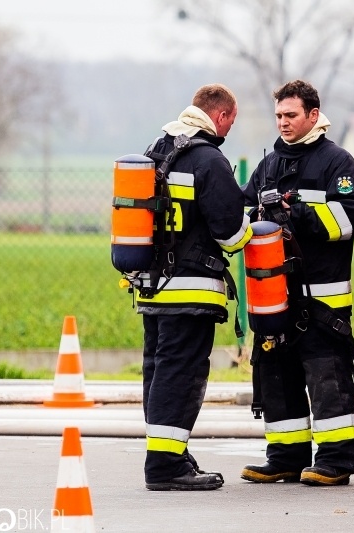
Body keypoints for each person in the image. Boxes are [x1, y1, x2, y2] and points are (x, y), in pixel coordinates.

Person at [240, 79, 354, 486]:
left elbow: (352, 219)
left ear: (313, 115)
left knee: (326, 375)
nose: (283, 123)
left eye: (291, 115)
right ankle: (285, 456)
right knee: (276, 375)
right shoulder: (269, 166)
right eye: (279, 115)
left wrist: (295, 214)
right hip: (274, 296)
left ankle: (334, 461)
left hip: (321, 298)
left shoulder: (337, 163)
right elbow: (245, 212)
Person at [137, 84, 252, 490]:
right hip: (192, 290)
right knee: (181, 374)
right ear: (220, 117)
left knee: (158, 368)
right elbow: (231, 236)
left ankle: (168, 452)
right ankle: (166, 466)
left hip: (151, 287)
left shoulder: (158, 149)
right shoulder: (209, 160)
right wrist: (252, 228)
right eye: (231, 122)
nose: (229, 130)